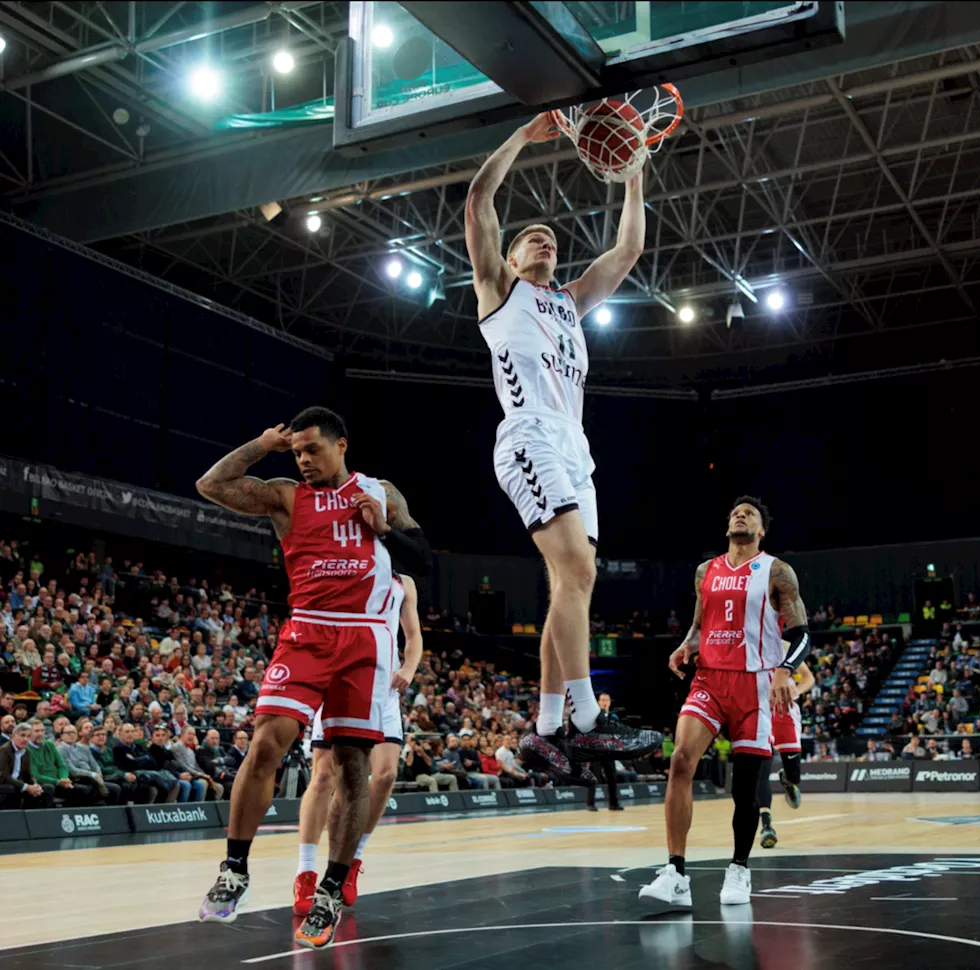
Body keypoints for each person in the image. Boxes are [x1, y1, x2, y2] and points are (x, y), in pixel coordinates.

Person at [465, 113, 659, 776]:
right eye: (530, 238)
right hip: (528, 434)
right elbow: (478, 201)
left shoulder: (570, 303)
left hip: (575, 447)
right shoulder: (499, 291)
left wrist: (632, 171)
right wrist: (521, 136)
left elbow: (628, 251)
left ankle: (545, 730)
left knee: (565, 583)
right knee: (579, 572)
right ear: (511, 260)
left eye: (550, 236)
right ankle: (586, 718)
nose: (543, 239)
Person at [194, 407, 431, 949]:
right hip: (307, 630)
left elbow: (424, 558)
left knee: (352, 768)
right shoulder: (285, 496)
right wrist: (260, 444)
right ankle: (235, 869)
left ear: (340, 445)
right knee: (264, 743)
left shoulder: (381, 491)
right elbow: (211, 484)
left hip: (366, 638)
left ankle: (330, 888)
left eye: (311, 450)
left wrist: (385, 527)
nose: (302, 460)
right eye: (296, 452)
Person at [640, 497, 810, 907]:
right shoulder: (706, 571)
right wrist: (685, 645)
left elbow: (802, 634)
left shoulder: (777, 572)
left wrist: (785, 670)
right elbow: (700, 625)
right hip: (710, 680)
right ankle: (676, 873)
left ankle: (739, 869)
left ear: (761, 531)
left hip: (755, 685)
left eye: (750, 513)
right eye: (736, 512)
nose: (741, 515)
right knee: (681, 759)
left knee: (746, 789)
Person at [294, 573, 423, 916]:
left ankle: (351, 861)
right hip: (340, 673)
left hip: (384, 683)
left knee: (385, 775)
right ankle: (305, 872)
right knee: (324, 777)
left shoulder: (403, 581)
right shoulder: (346, 563)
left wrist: (409, 667)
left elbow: (413, 636)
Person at [759, 661, 815, 849]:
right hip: (759, 712)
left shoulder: (786, 647)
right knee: (761, 773)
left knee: (794, 776)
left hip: (785, 713)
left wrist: (796, 691)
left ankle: (787, 780)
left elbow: (808, 677)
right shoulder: (747, 644)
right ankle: (766, 826)